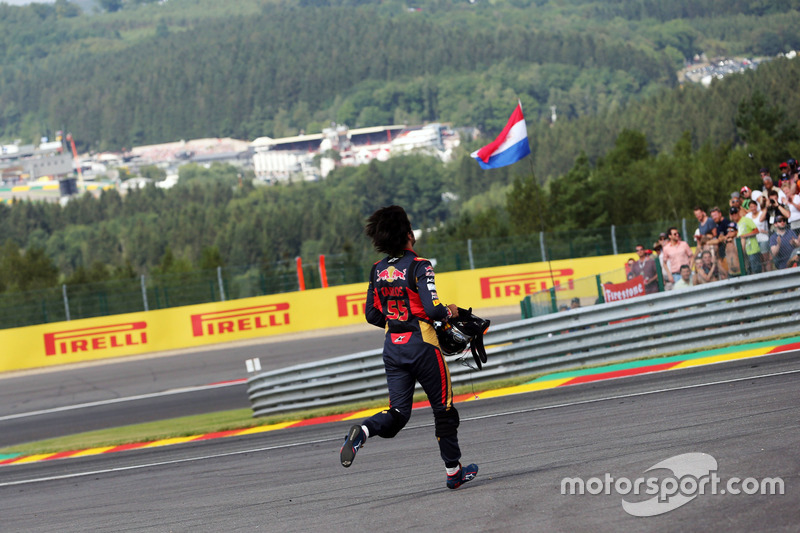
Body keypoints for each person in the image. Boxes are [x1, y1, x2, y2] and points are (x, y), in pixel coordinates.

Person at [340, 205, 478, 490]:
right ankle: (454, 472)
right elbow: (432, 308)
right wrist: (449, 311)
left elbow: (371, 315)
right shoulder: (420, 265)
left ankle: (363, 431)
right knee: (444, 409)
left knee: (398, 413)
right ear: (409, 234)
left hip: (393, 348)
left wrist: (396, 322)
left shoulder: (377, 270)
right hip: (423, 346)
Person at [733, 204, 761, 274]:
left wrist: (744, 236)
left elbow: (756, 230)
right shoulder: (736, 224)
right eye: (732, 214)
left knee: (756, 272)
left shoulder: (746, 219)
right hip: (745, 253)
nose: (734, 215)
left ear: (738, 212)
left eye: (735, 213)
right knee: (748, 272)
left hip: (753, 250)